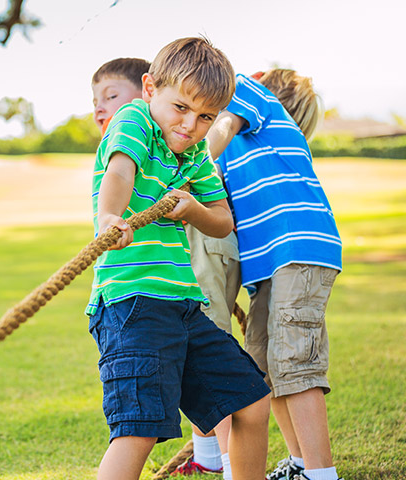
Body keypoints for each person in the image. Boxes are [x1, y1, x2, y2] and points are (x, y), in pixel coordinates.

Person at [87, 37, 271, 480]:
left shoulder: (194, 157)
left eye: (206, 116)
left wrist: (193, 209)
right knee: (138, 428)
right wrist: (110, 216)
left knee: (251, 402)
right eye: (181, 107)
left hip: (183, 307)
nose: (191, 124)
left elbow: (223, 220)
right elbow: (119, 169)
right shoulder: (133, 119)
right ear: (150, 89)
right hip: (132, 303)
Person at [207, 69, 343, 480]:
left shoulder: (251, 93)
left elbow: (224, 122)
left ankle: (321, 474)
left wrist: (188, 158)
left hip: (296, 250)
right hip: (267, 265)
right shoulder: (246, 146)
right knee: (263, 368)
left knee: (295, 362)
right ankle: (300, 464)